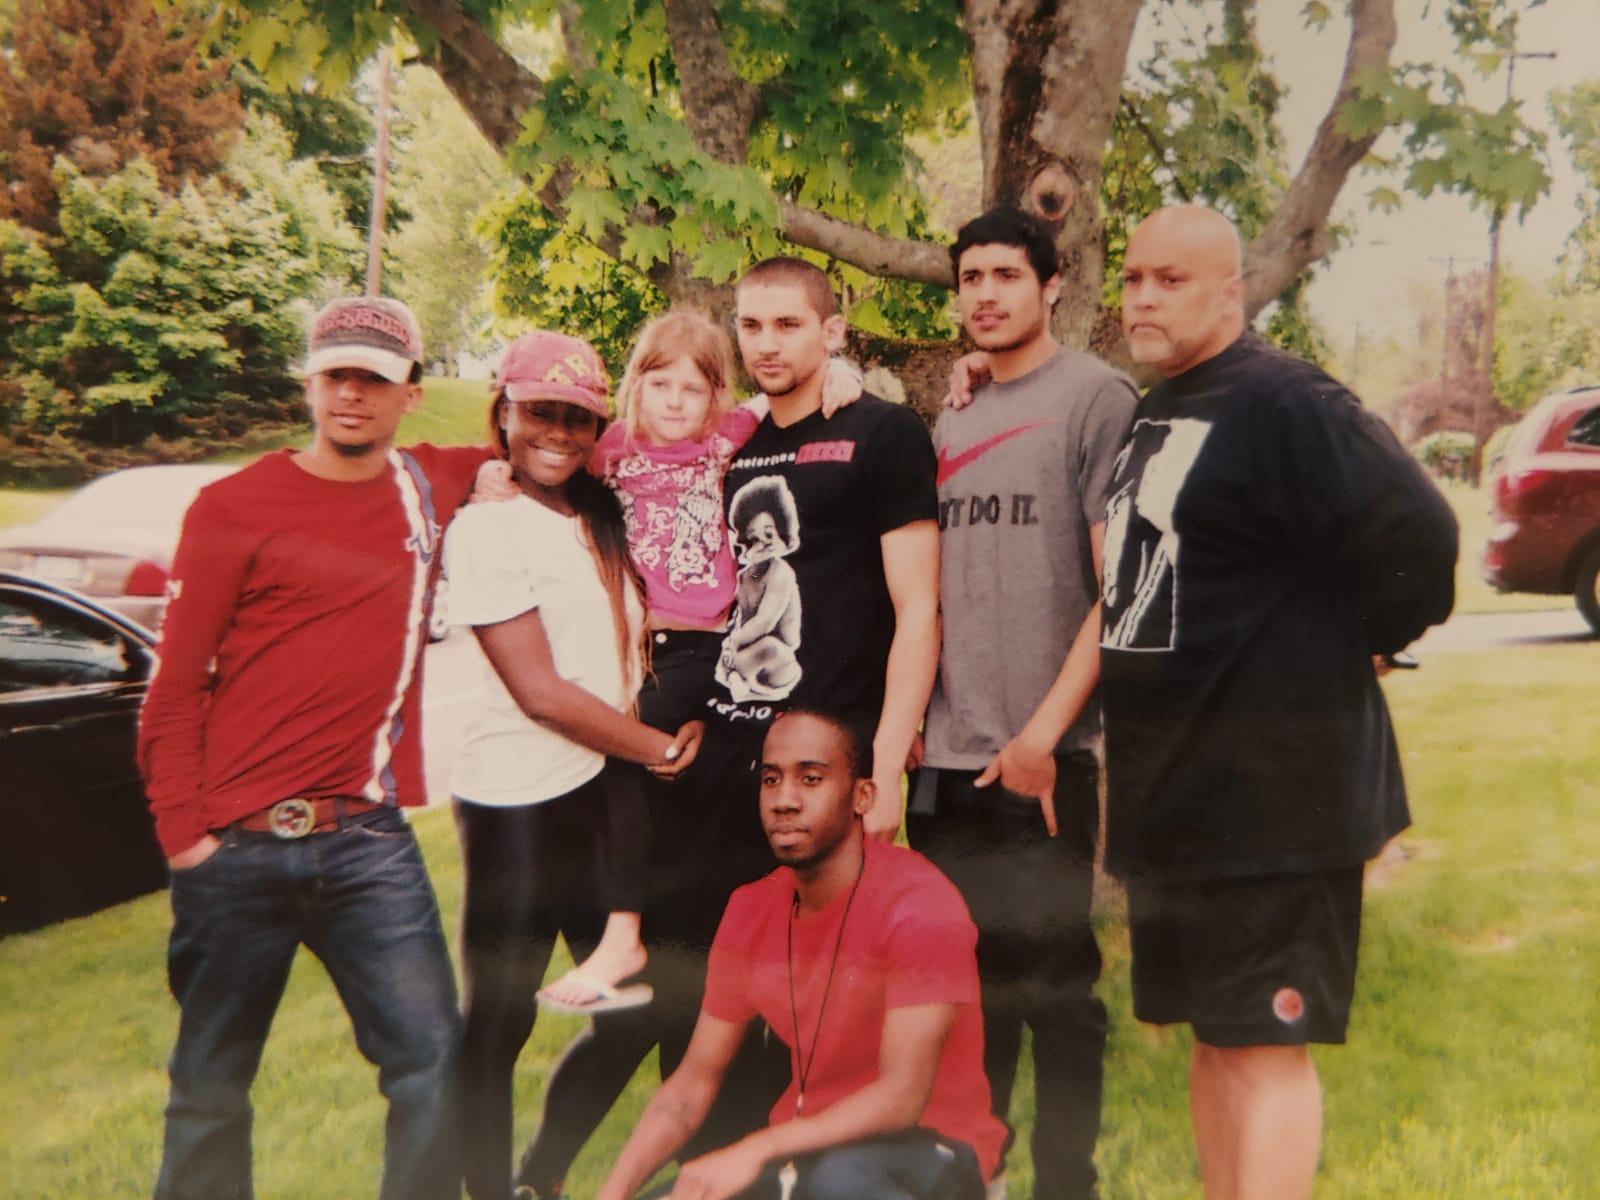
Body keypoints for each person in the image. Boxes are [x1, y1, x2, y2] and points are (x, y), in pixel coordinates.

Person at [1100, 205, 1458, 1200]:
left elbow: (1422, 534)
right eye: (1132, 278)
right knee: (1217, 1044)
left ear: (1232, 292)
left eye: (1170, 279)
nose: (1142, 297)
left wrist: (1369, 638)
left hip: (1276, 807)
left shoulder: (1287, 403)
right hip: (1177, 799)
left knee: (1265, 1051)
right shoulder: (1161, 405)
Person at [464, 313, 860, 1199]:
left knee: (709, 1000)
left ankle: (718, 1170)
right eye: (660, 385)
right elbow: (534, 452)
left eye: (694, 389)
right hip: (649, 706)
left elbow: (788, 400)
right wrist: (487, 470)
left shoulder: (732, 445)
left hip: (721, 715)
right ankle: (541, 1168)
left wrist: (845, 375)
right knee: (655, 994)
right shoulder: (610, 458)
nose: (677, 403)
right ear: (635, 391)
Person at [137, 296, 490, 1200]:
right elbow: (173, 690)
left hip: (366, 841)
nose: (351, 395)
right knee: (210, 1087)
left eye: (374, 379)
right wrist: (186, 840)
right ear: (308, 383)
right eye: (335, 375)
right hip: (235, 846)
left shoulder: (427, 486)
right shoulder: (230, 507)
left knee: (433, 1060)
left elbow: (560, 439)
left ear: (411, 393)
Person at [439, 329, 708, 1200]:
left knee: (646, 1007)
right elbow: (542, 694)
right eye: (539, 412)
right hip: (517, 805)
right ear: (504, 414)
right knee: (499, 1022)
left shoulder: (600, 511)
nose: (558, 431)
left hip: (602, 798)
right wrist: (658, 749)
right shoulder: (486, 527)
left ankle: (538, 1177)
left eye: (577, 418)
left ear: (599, 429)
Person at [909, 206, 1137, 1200]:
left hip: (1039, 760)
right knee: (970, 1001)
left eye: (1007, 274)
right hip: (947, 760)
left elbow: (1120, 590)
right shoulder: (953, 413)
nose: (986, 294)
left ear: (1052, 285)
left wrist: (1044, 737)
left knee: (1057, 998)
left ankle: (1065, 1185)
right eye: (970, 278)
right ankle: (977, 1178)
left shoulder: (1095, 397)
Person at [594, 709, 1008, 1200]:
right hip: (810, 1156)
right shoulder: (750, 909)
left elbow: (902, 1098)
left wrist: (757, 1149)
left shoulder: (919, 906)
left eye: (811, 779)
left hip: (930, 1153)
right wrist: (612, 1194)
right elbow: (692, 1085)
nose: (784, 800)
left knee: (837, 1182)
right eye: (771, 779)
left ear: (862, 796)